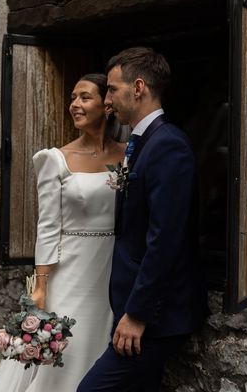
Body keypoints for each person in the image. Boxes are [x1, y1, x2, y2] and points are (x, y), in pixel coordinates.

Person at [78, 47, 208, 392]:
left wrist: (137, 315)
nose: (107, 100)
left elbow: (165, 238)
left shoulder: (169, 145)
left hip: (155, 317)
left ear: (138, 88)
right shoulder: (140, 142)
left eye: (112, 89)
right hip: (135, 310)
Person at [0, 74, 126, 392]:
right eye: (73, 97)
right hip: (69, 270)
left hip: (110, 269)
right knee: (66, 349)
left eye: (85, 97)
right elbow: (48, 226)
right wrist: (41, 286)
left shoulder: (128, 155)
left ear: (106, 105)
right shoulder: (55, 159)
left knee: (97, 347)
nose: (75, 104)